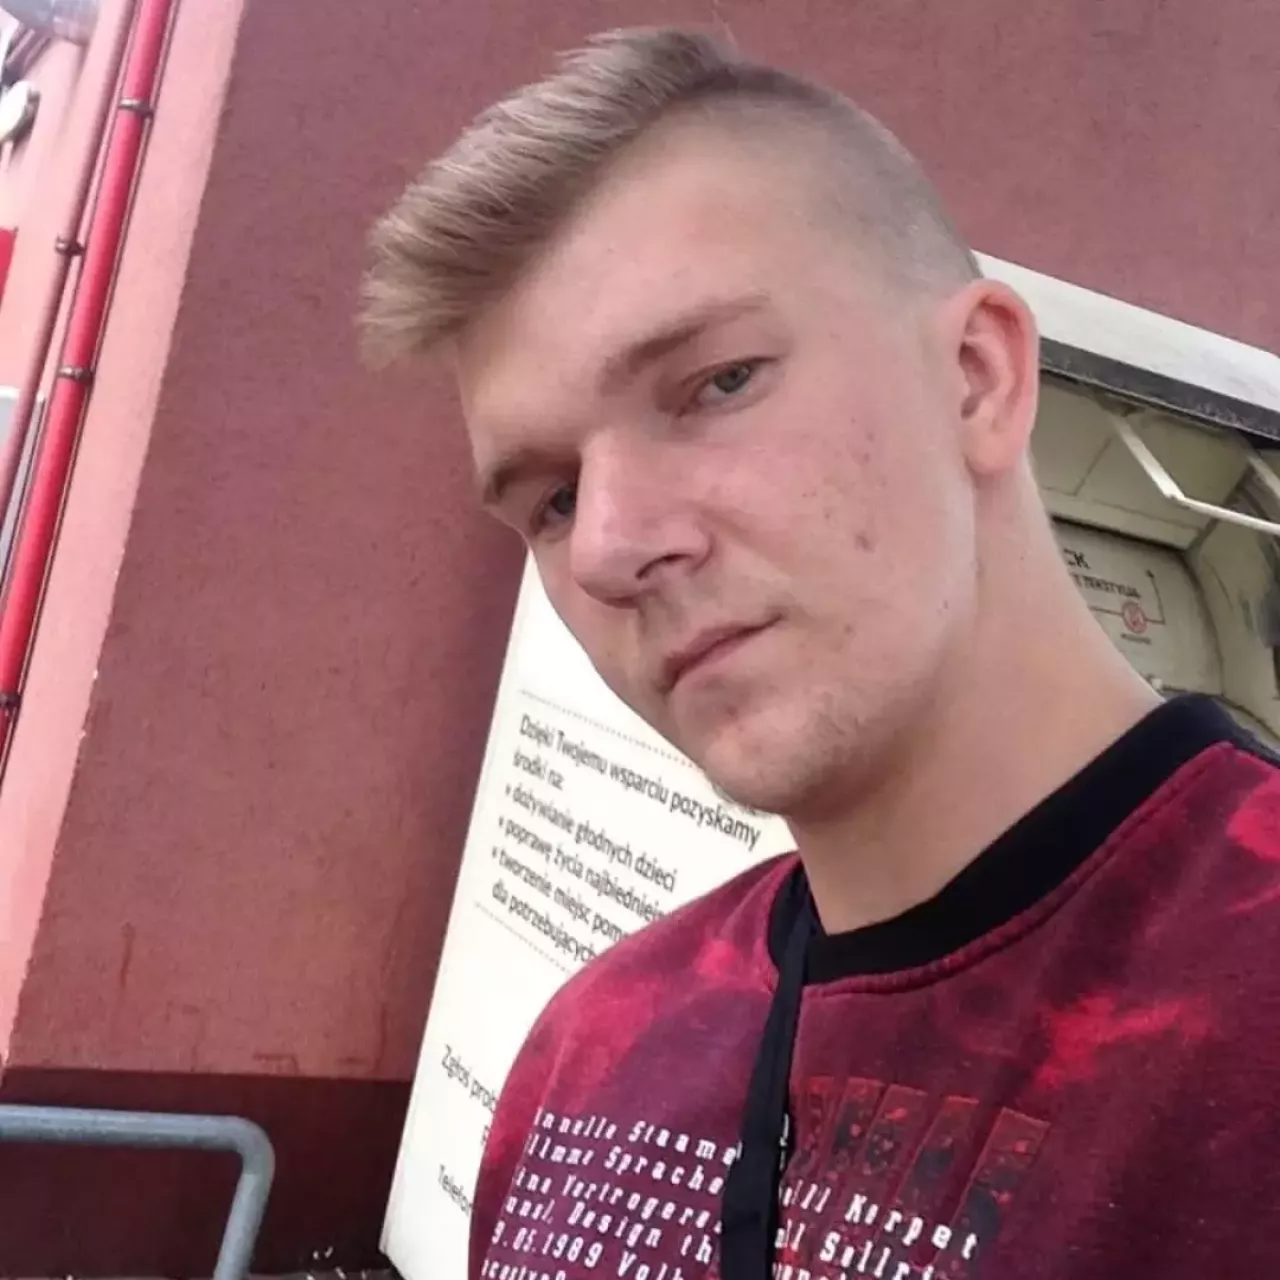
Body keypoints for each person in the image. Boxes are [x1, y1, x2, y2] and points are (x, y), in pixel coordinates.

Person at [361, 27, 1280, 1280]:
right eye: (552, 499)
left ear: (974, 378)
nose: (611, 547)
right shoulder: (589, 1049)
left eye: (715, 383)